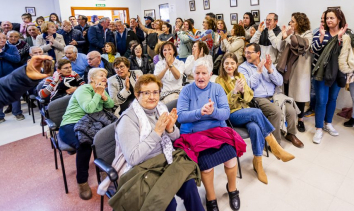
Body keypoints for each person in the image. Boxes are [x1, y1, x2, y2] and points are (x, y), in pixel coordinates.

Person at [98, 74, 204, 211]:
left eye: (155, 92)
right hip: (142, 168)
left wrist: (170, 128)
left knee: (190, 185)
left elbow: (175, 138)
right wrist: (157, 133)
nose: (152, 97)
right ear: (137, 94)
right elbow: (133, 158)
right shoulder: (127, 120)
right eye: (146, 93)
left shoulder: (160, 108)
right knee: (166, 202)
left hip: (165, 160)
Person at [175, 58, 245, 211]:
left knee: (231, 157)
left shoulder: (217, 89)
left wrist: (213, 111)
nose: (200, 77)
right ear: (193, 74)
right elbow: (181, 117)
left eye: (204, 73)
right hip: (194, 135)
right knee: (206, 166)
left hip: (217, 132)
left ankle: (232, 189)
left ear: (210, 74)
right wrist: (199, 112)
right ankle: (210, 197)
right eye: (197, 73)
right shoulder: (186, 91)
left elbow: (226, 113)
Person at [216, 53, 294, 184]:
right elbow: (223, 105)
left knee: (255, 127)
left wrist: (242, 91)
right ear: (223, 65)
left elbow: (249, 97)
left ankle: (258, 164)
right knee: (257, 112)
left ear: (236, 65)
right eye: (227, 63)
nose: (229, 66)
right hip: (232, 115)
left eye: (232, 63)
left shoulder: (240, 76)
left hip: (245, 111)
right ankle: (275, 147)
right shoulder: (219, 81)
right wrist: (234, 92)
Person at [59, 68, 114, 200]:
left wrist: (103, 95)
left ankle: (104, 172)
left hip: (91, 123)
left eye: (106, 76)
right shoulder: (83, 89)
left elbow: (111, 105)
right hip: (71, 124)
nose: (105, 78)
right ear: (92, 79)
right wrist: (97, 94)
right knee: (84, 144)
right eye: (102, 75)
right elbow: (89, 108)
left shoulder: (100, 90)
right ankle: (82, 182)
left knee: (107, 139)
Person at [239, 43, 304, 148]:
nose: (246, 55)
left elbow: (279, 82)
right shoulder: (243, 68)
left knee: (290, 109)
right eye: (245, 52)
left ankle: (290, 134)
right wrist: (259, 71)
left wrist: (269, 70)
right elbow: (248, 85)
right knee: (276, 112)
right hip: (257, 98)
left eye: (249, 52)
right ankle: (274, 144)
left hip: (274, 95)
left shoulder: (267, 63)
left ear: (258, 53)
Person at [311, 8, 349, 144]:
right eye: (327, 18)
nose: (328, 20)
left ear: (339, 19)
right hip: (321, 72)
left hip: (337, 72)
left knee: (333, 99)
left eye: (332, 18)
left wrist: (341, 38)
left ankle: (328, 124)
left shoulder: (346, 34)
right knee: (322, 100)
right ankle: (319, 129)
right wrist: (321, 37)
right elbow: (313, 49)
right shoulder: (320, 32)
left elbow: (348, 53)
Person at [276, 13, 313, 132]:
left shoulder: (307, 33)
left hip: (300, 69)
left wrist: (290, 36)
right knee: (287, 93)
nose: (290, 23)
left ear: (300, 22)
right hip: (287, 67)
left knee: (300, 96)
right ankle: (289, 117)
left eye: (292, 21)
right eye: (290, 21)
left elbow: (301, 46)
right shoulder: (290, 33)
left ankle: (301, 120)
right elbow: (280, 48)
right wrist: (284, 36)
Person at [0, 32, 24, 122]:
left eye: (3, 38)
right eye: (0, 38)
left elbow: (17, 59)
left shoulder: (12, 48)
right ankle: (0, 116)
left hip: (11, 76)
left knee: (15, 95)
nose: (2, 40)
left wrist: (3, 54)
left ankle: (17, 113)